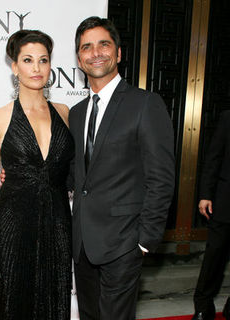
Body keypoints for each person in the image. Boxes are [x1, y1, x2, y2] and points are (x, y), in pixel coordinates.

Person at [69, 17, 175, 320]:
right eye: (86, 47)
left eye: (104, 44)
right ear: (79, 59)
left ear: (118, 53)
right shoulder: (77, 114)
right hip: (83, 244)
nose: (96, 52)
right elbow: (75, 175)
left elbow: (162, 178)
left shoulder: (145, 104)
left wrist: (144, 240)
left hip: (124, 242)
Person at [0, 29, 74, 320]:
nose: (36, 68)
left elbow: (74, 168)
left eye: (43, 60)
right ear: (15, 67)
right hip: (14, 220)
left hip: (57, 220)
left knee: (55, 296)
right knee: (15, 296)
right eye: (28, 60)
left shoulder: (65, 112)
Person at [192, 111, 230, 320]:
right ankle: (203, 306)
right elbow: (213, 157)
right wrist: (206, 194)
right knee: (214, 257)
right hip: (225, 202)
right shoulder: (227, 118)